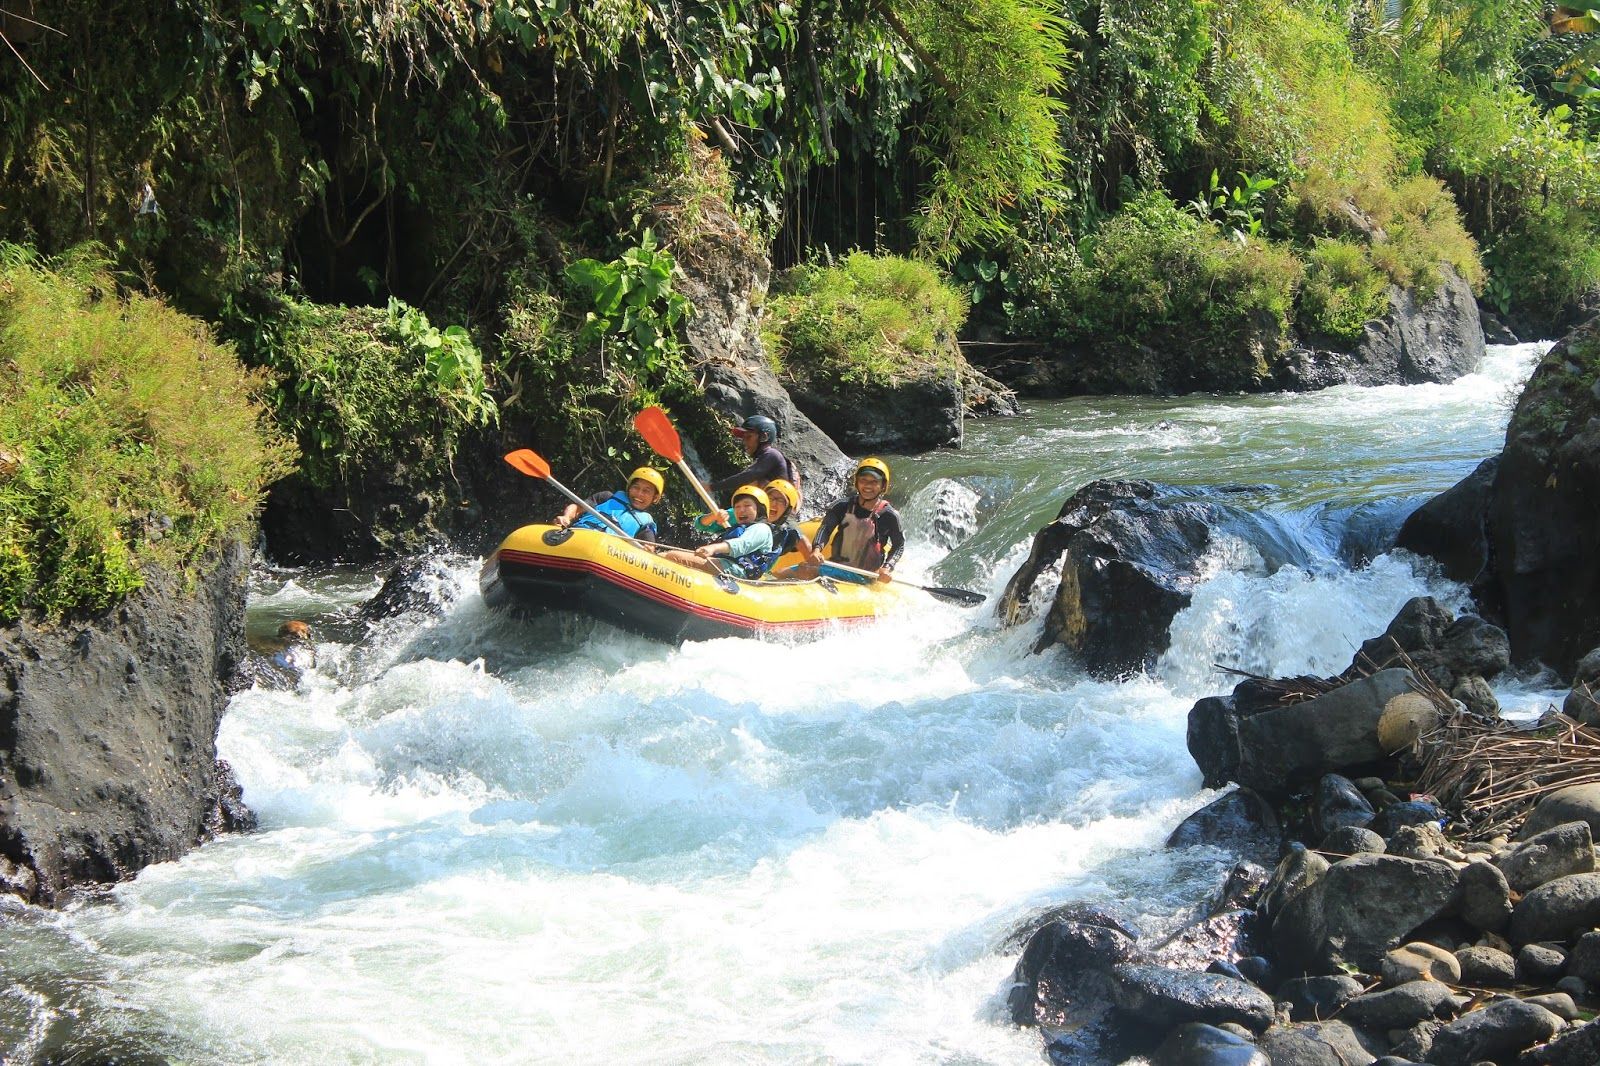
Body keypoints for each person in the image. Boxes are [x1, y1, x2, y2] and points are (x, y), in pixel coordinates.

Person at [806, 458, 904, 583]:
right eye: (863, 480)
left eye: (874, 482)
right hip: (836, 567)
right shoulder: (841, 506)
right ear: (857, 482)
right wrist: (817, 549)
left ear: (883, 485)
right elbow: (825, 529)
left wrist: (887, 567)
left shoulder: (889, 515)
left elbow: (899, 545)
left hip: (865, 576)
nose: (868, 486)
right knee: (783, 573)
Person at [692, 477, 810, 576]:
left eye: (780, 500)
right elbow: (700, 525)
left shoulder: (789, 530)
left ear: (788, 508)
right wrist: (714, 516)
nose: (773, 503)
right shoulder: (742, 512)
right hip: (726, 562)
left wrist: (812, 564)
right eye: (771, 497)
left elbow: (806, 549)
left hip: (750, 572)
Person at [660, 484, 774, 578]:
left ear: (760, 509)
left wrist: (713, 548)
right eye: (737, 507)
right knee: (663, 555)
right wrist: (714, 516)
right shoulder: (738, 523)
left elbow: (742, 544)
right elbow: (699, 525)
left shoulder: (762, 529)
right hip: (724, 564)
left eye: (747, 505)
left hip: (739, 570)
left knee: (673, 556)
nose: (741, 510)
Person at [553, 467, 664, 542]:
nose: (639, 494)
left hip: (608, 553)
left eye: (646, 491)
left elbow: (649, 551)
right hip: (578, 535)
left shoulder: (646, 526)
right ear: (629, 488)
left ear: (655, 497)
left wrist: (648, 549)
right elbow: (577, 507)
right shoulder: (606, 497)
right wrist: (566, 517)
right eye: (636, 487)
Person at [710, 414, 796, 495]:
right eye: (743, 438)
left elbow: (747, 476)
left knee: (753, 483)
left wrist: (711, 487)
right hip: (767, 507)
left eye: (748, 437)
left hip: (775, 506)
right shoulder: (765, 459)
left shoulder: (772, 454)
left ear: (763, 437)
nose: (744, 442)